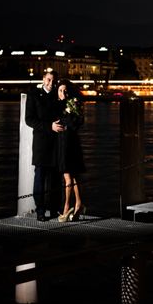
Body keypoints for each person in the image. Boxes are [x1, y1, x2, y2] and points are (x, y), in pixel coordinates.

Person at [25, 70, 64, 221]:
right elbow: (29, 119)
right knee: (40, 177)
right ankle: (40, 210)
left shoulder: (57, 95)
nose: (50, 83)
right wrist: (49, 126)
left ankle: (54, 209)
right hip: (41, 142)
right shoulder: (33, 95)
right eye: (48, 80)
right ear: (43, 79)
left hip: (56, 142)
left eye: (53, 81)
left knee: (55, 178)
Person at [55, 79, 87, 222]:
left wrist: (68, 115)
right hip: (62, 142)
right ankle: (79, 204)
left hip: (70, 142)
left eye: (65, 91)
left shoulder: (72, 104)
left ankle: (67, 208)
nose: (63, 93)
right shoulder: (57, 105)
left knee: (68, 176)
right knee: (72, 176)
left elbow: (76, 123)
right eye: (61, 90)